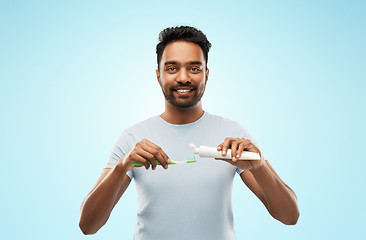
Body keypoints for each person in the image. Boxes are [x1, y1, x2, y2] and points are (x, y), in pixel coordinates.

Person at [79, 26, 299, 239]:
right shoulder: (132, 138)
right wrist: (122, 167)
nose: (183, 77)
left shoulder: (233, 134)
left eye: (194, 68)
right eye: (172, 68)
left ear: (206, 74)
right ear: (158, 76)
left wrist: (259, 166)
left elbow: (289, 216)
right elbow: (88, 226)